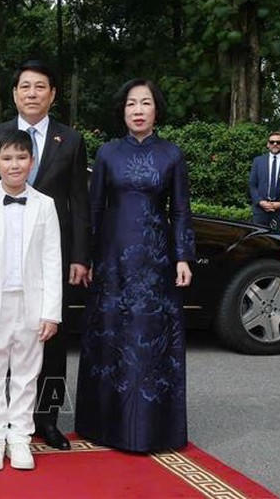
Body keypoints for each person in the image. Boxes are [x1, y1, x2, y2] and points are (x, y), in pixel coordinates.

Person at [0, 59, 90, 450]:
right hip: (3, 256)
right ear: (14, 93)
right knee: (1, 344)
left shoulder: (69, 140)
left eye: (40, 86)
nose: (32, 93)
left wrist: (80, 256)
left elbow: (79, 201)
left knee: (50, 339)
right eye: (25, 86)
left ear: (52, 94)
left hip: (49, 256)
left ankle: (48, 419)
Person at [75, 79, 195, 453]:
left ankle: (152, 430)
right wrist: (87, 256)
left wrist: (183, 256)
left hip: (156, 260)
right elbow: (94, 208)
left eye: (145, 103)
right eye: (131, 104)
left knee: (149, 339)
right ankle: (104, 426)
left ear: (156, 109)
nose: (138, 110)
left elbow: (180, 210)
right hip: (112, 259)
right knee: (111, 337)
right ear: (122, 111)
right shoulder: (108, 153)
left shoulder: (172, 154)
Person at [0, 129, 62, 471]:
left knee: (26, 373)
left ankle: (20, 437)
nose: (14, 164)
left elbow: (52, 260)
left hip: (32, 303)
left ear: (32, 162)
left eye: (21, 157)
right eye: (7, 158)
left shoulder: (45, 205)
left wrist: (51, 312)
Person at [249, 131, 280, 233]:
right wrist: (260, 202)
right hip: (260, 210)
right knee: (259, 239)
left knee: (277, 239)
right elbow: (252, 185)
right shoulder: (258, 161)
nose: (275, 144)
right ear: (268, 144)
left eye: (278, 142)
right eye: (272, 142)